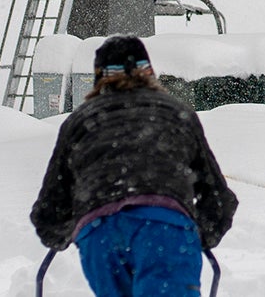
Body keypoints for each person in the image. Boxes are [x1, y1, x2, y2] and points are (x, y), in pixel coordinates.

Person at [31, 34, 238, 296]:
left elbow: (48, 211)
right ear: (150, 72)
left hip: (100, 232)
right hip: (165, 227)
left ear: (99, 77)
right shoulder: (176, 114)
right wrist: (201, 236)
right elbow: (219, 199)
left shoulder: (79, 121)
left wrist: (63, 235)